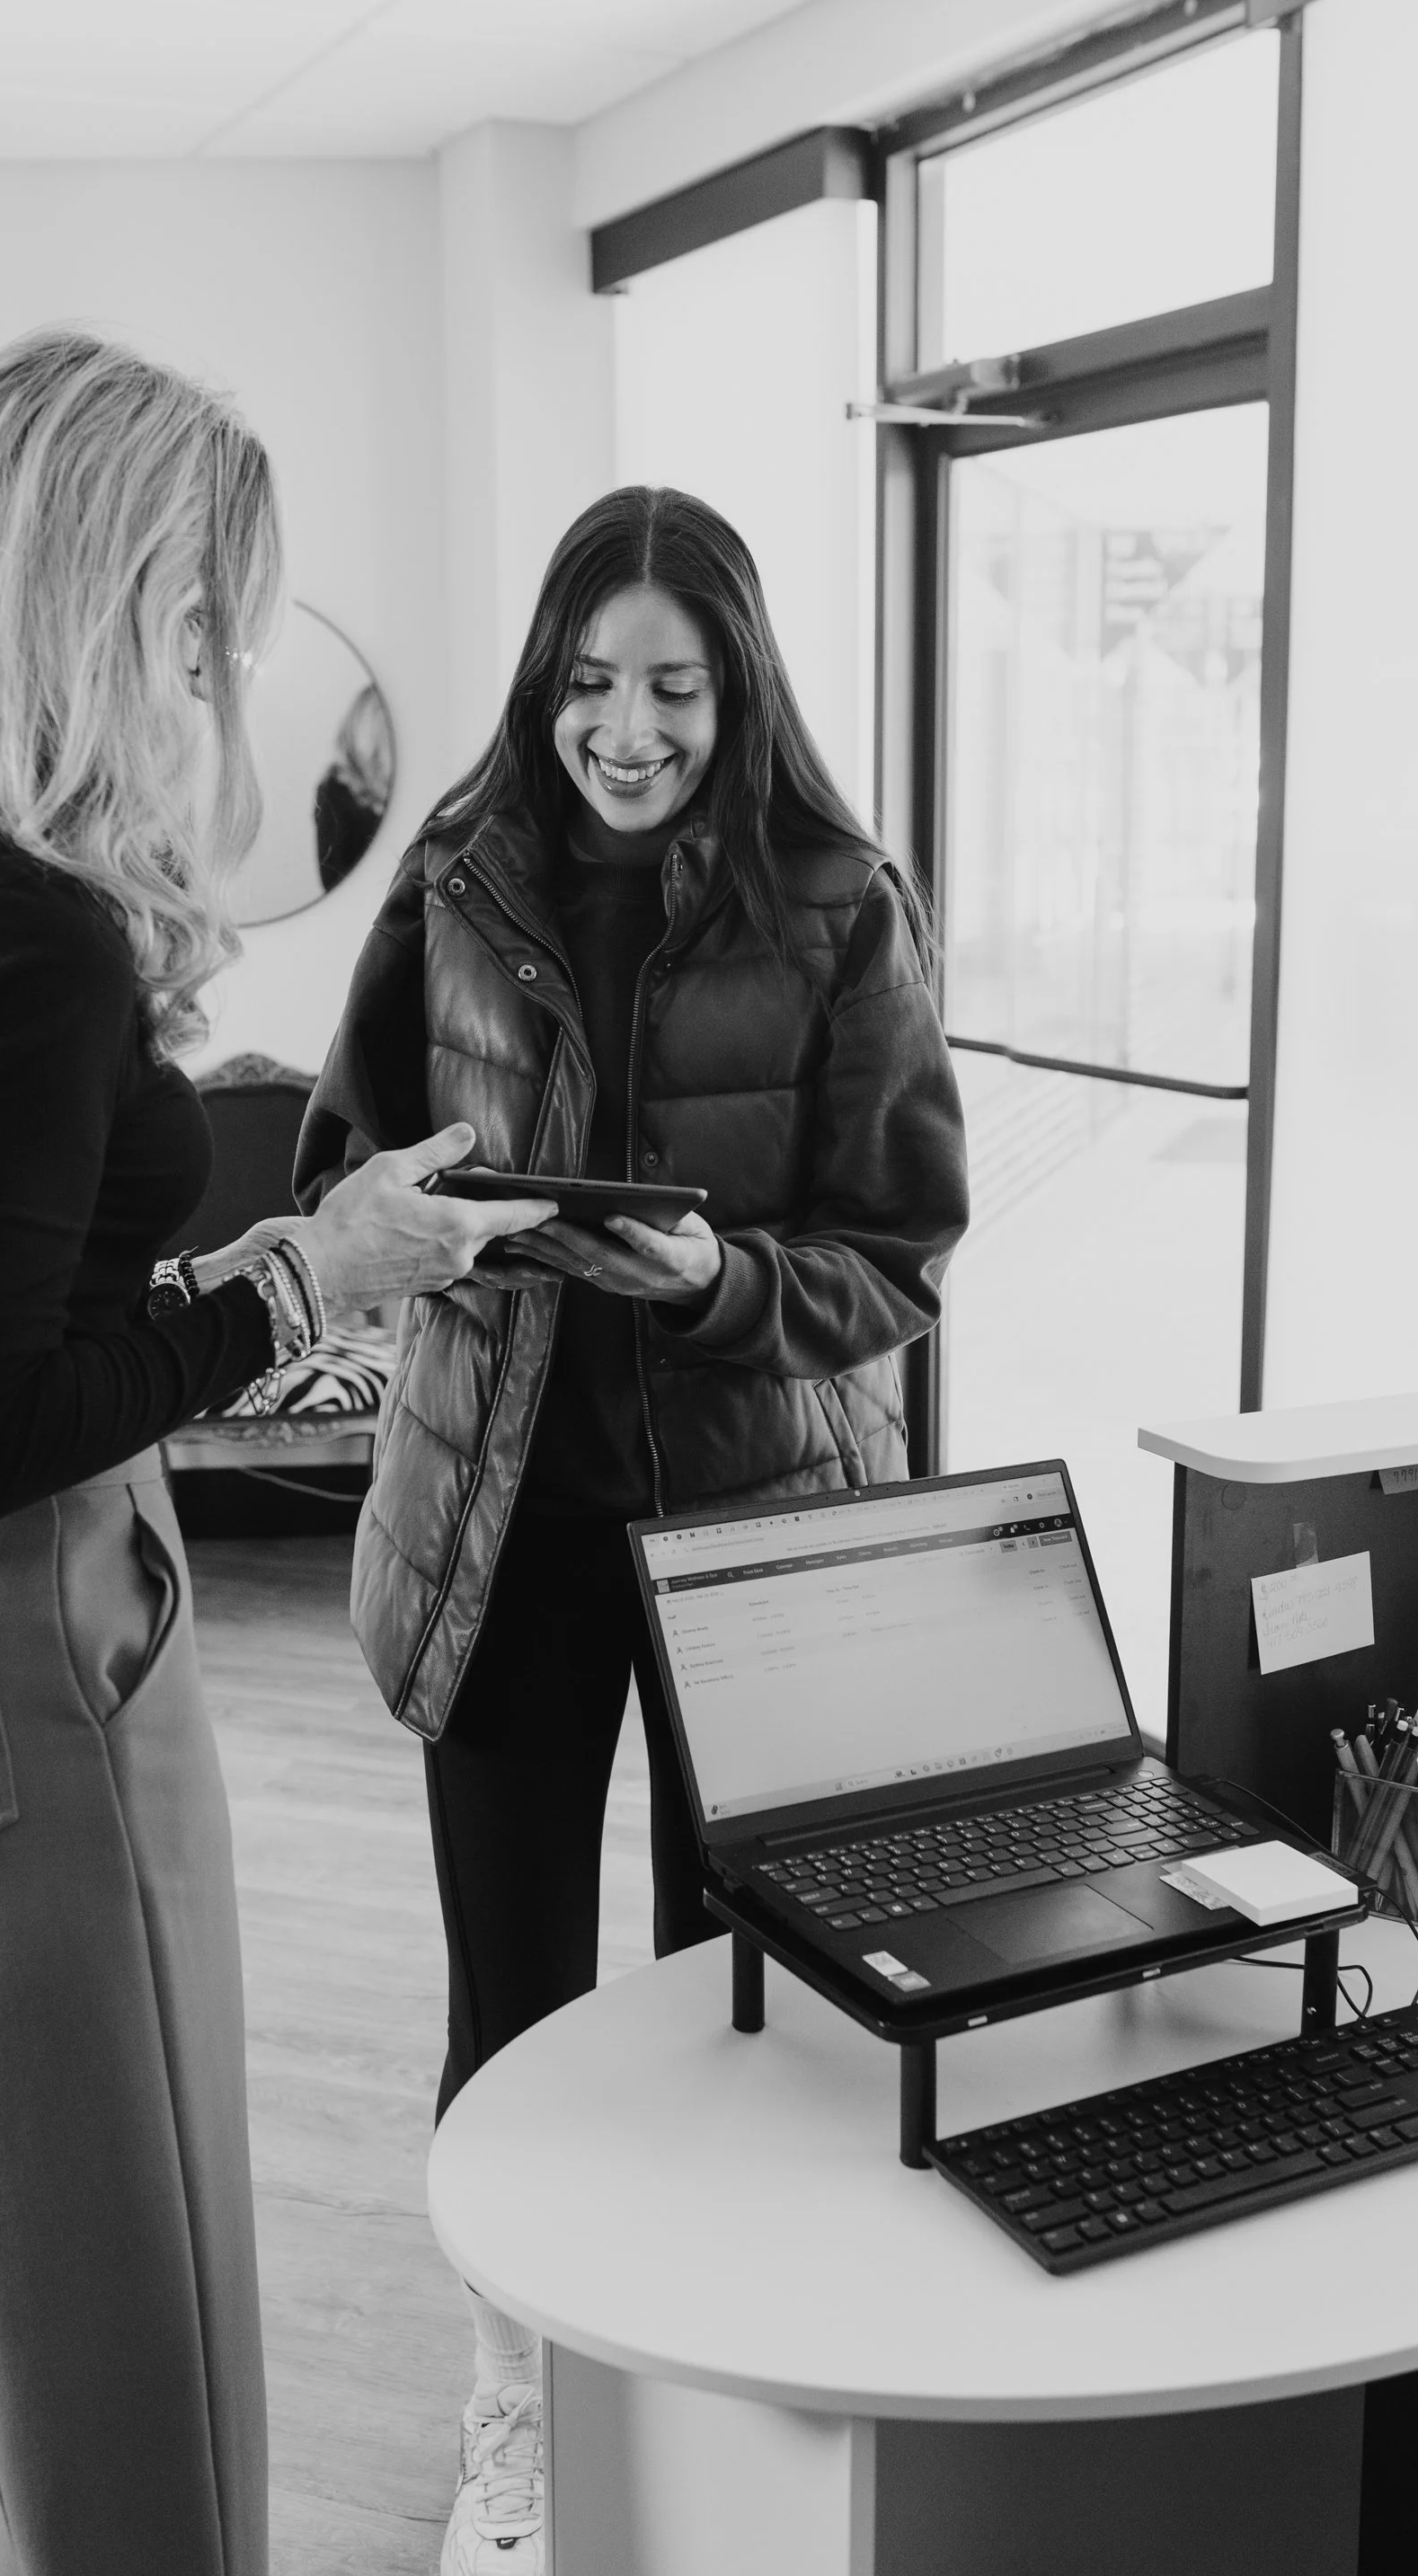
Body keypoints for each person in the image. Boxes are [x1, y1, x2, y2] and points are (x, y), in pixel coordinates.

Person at [0, 327, 552, 2576]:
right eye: (200, 619)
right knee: (133, 2386)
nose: (213, 677)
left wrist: (246, 1239)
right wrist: (314, 1277)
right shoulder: (23, 922)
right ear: (96, 595)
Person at [295, 483, 970, 2576]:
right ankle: (522, 2414)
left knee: (736, 2009)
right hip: (497, 1524)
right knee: (509, 2012)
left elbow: (902, 1247)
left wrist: (725, 1291)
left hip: (746, 1543)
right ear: (544, 682)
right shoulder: (458, 871)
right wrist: (435, 1222)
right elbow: (343, 1155)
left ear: (738, 683)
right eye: (591, 681)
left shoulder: (839, 901)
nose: (626, 726)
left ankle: (709, 2395)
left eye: (672, 685)